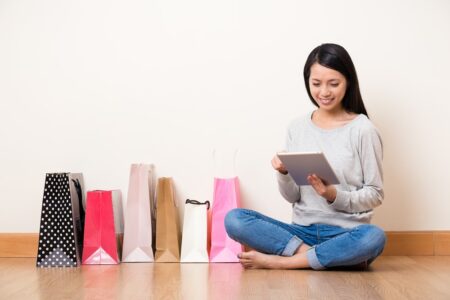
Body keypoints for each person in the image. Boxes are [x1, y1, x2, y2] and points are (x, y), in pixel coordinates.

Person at [224, 43, 386, 270]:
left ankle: (285, 263)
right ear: (307, 81)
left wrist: (333, 195)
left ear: (348, 82)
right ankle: (318, 258)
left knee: (374, 237)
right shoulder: (297, 127)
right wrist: (284, 173)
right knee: (234, 219)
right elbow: (292, 197)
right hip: (301, 232)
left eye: (334, 83)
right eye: (316, 83)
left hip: (346, 233)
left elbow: (375, 194)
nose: (324, 92)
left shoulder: (363, 130)